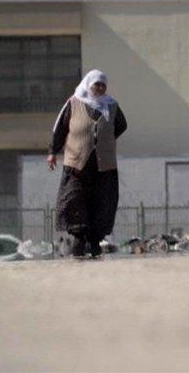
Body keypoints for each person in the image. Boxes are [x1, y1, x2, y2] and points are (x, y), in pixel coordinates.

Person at [48, 70, 128, 258]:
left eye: (102, 85)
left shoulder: (111, 105)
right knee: (75, 199)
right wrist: (52, 152)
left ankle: (94, 242)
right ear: (88, 84)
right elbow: (59, 129)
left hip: (104, 168)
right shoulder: (74, 103)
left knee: (101, 204)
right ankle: (78, 239)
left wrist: (105, 139)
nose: (99, 88)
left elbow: (121, 125)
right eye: (96, 85)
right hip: (76, 166)